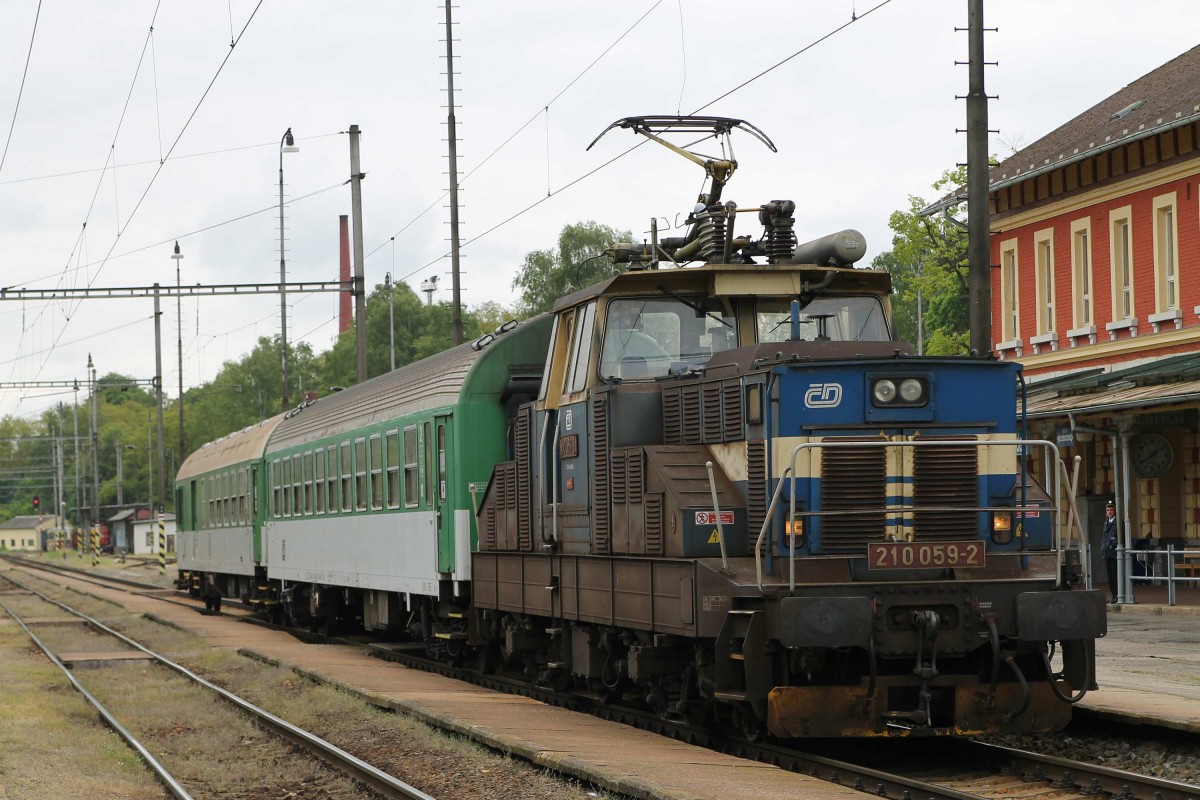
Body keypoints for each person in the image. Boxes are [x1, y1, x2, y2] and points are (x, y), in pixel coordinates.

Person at [1100, 500, 1119, 602]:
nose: (1109, 512)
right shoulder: (1106, 523)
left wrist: (1112, 546)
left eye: (1111, 510)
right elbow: (1104, 537)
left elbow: (1117, 538)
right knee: (1110, 576)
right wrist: (1102, 548)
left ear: (1115, 511)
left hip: (1114, 553)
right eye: (1108, 510)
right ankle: (1113, 595)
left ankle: (1117, 595)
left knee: (1115, 575)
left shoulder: (1117, 523)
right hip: (1107, 553)